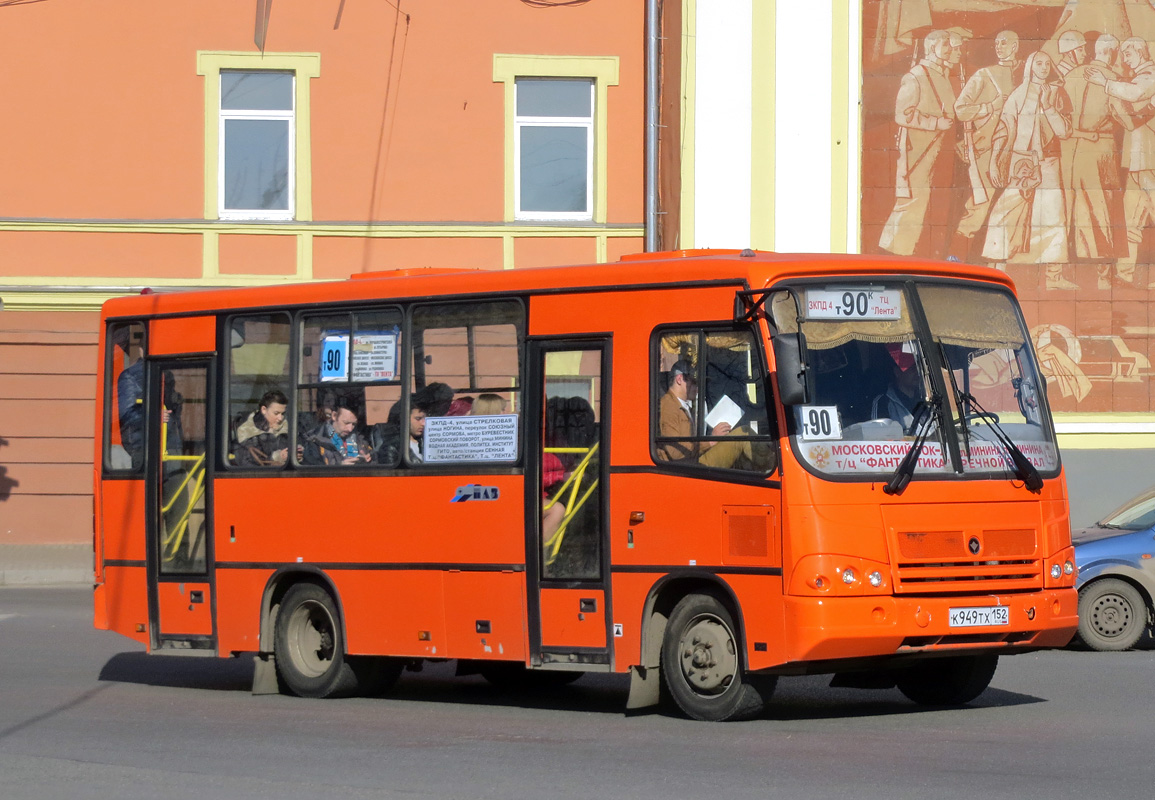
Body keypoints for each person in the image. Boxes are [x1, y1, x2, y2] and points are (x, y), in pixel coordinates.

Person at [982, 51, 1074, 288]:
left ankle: (1053, 276)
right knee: (1005, 213)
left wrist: (1047, 106)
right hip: (1021, 163)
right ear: (1030, 67)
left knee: (1053, 215)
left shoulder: (1058, 93)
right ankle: (997, 268)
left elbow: (1064, 131)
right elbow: (1003, 130)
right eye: (1038, 63)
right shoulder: (1017, 95)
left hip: (1049, 163)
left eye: (1047, 63)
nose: (1043, 67)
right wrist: (994, 161)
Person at [879, 29, 957, 256]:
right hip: (916, 150)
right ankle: (892, 254)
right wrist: (935, 123)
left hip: (935, 149)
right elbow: (902, 114)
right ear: (932, 48)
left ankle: (903, 253)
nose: (951, 50)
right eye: (946, 46)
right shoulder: (916, 75)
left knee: (920, 203)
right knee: (910, 202)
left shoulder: (942, 74)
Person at [1087, 37, 1155, 287]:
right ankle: (1124, 275)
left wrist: (1105, 83)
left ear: (1139, 52)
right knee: (1129, 221)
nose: (1124, 60)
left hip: (1150, 163)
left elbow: (1136, 92)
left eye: (1127, 55)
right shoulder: (1138, 77)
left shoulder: (1150, 75)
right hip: (1139, 163)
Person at [952, 30, 1020, 258]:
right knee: (979, 206)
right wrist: (991, 106)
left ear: (1015, 46)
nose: (999, 46)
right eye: (997, 42)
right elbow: (961, 110)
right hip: (987, 150)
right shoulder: (985, 75)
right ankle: (957, 260)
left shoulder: (1026, 73)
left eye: (1004, 42)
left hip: (1018, 150)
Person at [656, 360, 749, 469]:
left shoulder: (682, 405)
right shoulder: (668, 406)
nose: (698, 389)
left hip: (692, 461)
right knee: (742, 435)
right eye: (694, 383)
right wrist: (710, 441)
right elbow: (675, 451)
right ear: (679, 379)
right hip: (687, 467)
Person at [870, 343, 924, 433]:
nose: (917, 373)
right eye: (911, 369)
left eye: (918, 368)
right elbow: (879, 437)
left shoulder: (928, 401)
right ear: (897, 372)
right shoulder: (883, 402)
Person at [302, 396, 372, 465]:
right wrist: (339, 468)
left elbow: (376, 464)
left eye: (353, 424)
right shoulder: (314, 441)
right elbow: (312, 472)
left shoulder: (361, 441)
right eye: (346, 423)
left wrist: (368, 461)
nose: (350, 429)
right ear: (334, 416)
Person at [233, 390, 290, 467]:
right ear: (264, 410)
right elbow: (248, 462)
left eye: (283, 414)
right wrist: (277, 457)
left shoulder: (289, 425)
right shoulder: (246, 431)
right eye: (276, 413)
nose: (280, 418)